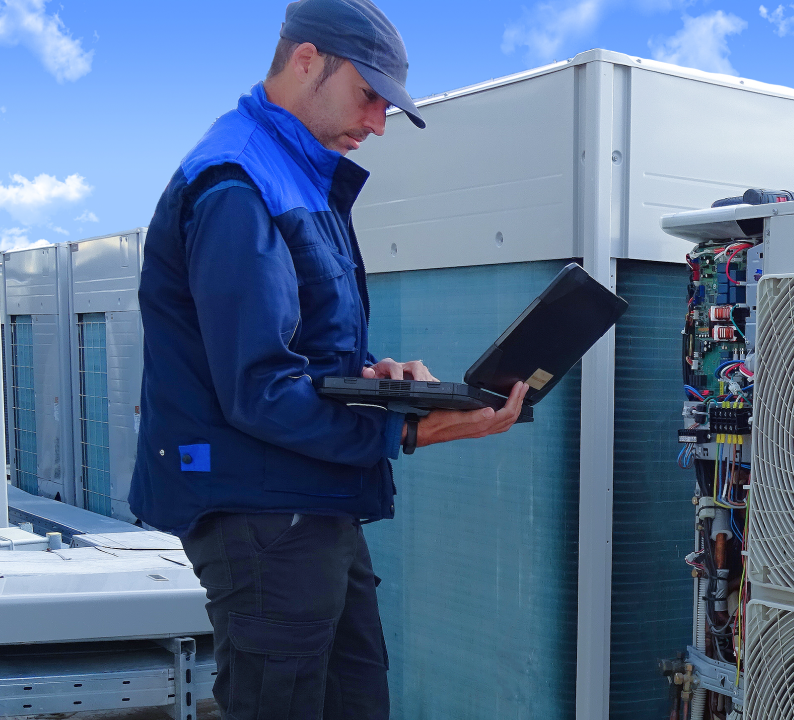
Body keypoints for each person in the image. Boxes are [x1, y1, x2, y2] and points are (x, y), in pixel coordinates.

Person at [127, 1, 529, 717]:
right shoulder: (236, 184)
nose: (377, 123)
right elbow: (259, 390)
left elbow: (304, 350)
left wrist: (381, 382)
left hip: (310, 501)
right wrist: (405, 430)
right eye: (369, 95)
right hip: (261, 513)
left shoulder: (292, 172)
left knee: (356, 698)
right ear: (308, 60)